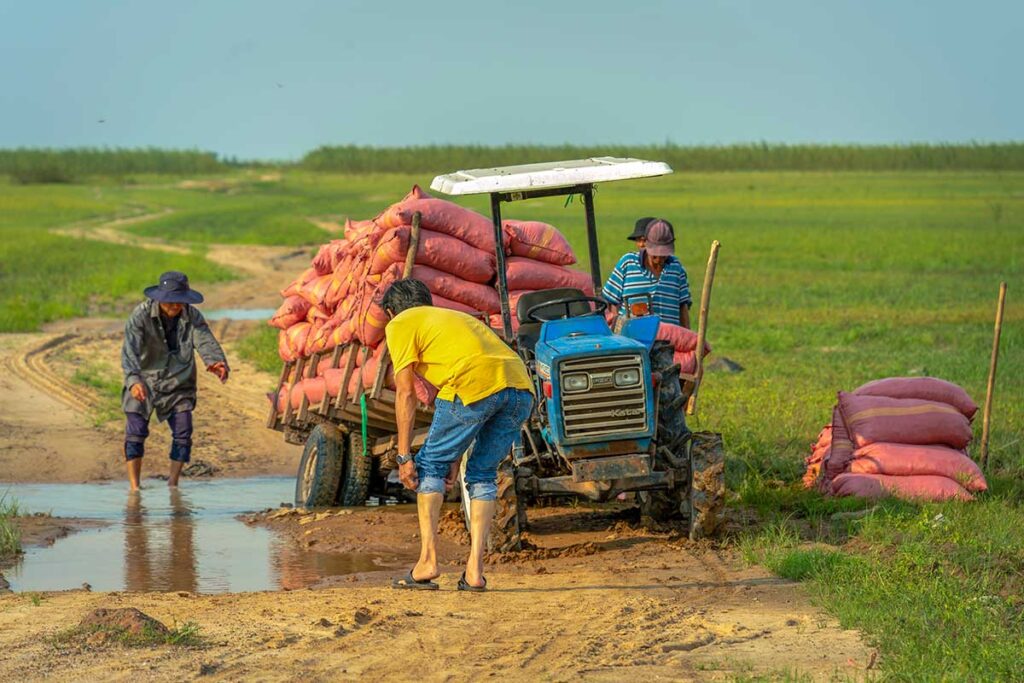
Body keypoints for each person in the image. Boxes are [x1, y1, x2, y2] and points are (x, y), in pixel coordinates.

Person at [382, 279, 534, 592]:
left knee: (429, 466)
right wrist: (455, 450)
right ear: (427, 302)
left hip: (473, 385)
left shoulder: (400, 323)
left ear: (390, 311)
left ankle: (427, 562)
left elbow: (406, 393)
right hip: (520, 388)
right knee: (482, 473)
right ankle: (475, 572)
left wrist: (404, 456)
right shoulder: (455, 318)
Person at [121, 271, 229, 490]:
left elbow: (204, 339)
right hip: (145, 380)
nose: (175, 306)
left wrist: (216, 361)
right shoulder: (140, 315)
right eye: (170, 302)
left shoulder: (192, 314)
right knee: (136, 432)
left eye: (180, 301)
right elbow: (129, 350)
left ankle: (173, 485)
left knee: (183, 431)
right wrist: (133, 380)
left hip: (179, 381)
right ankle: (134, 487)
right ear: (160, 298)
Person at [603, 218, 692, 328]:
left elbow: (683, 307)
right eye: (655, 254)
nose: (659, 258)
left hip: (669, 339)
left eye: (664, 254)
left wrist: (687, 336)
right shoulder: (628, 263)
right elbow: (612, 302)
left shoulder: (677, 268)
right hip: (633, 338)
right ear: (646, 244)